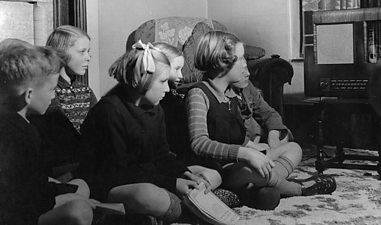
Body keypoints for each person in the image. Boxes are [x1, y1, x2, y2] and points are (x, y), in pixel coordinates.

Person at [185, 31, 336, 209]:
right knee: (257, 172)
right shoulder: (198, 94)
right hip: (218, 169)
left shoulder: (230, 96)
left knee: (293, 149)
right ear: (221, 61)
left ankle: (253, 190)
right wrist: (246, 154)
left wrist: (254, 149)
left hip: (239, 164)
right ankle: (297, 188)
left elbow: (235, 135)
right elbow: (199, 143)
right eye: (240, 59)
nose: (245, 65)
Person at [80, 41, 221, 224]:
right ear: (142, 80)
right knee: (147, 195)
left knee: (207, 175)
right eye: (162, 82)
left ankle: (173, 207)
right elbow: (119, 171)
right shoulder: (109, 111)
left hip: (148, 174)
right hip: (112, 183)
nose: (167, 88)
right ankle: (183, 209)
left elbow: (162, 155)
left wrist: (184, 174)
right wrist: (171, 182)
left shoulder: (155, 108)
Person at [0, 39, 95, 225]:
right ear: (28, 95)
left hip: (25, 201)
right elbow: (29, 197)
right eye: (52, 89)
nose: (54, 96)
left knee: (80, 187)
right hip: (18, 214)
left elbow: (31, 181)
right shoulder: (21, 134)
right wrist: (66, 198)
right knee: (80, 208)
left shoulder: (18, 123)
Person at [29, 25, 97, 182]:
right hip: (59, 170)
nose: (88, 57)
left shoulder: (85, 91)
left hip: (85, 165)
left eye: (89, 51)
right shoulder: (47, 92)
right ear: (62, 53)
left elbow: (100, 130)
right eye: (82, 52)